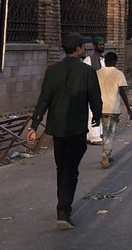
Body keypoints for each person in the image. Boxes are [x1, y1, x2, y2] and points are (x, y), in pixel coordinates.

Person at [27, 33, 102, 230]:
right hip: (77, 127)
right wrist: (97, 115)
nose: (84, 49)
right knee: (71, 168)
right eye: (82, 46)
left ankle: (62, 206)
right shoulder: (87, 72)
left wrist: (34, 125)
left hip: (58, 128)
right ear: (77, 48)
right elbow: (95, 97)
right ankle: (63, 210)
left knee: (62, 167)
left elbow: (43, 100)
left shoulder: (52, 71)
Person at [96, 51, 132, 169]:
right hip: (113, 108)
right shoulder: (118, 73)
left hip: (101, 107)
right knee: (111, 132)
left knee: (104, 131)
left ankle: (106, 153)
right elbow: (122, 91)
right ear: (115, 62)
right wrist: (128, 108)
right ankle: (106, 153)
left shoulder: (97, 73)